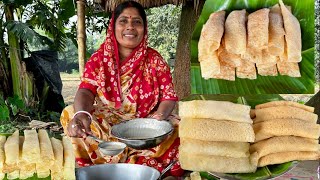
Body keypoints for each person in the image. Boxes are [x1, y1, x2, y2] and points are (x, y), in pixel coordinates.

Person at [60, 1, 184, 177]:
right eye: (123, 21)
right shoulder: (99, 59)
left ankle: (140, 160)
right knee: (70, 114)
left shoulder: (155, 59)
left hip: (144, 128)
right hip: (106, 127)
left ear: (144, 27)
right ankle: (112, 162)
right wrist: (82, 115)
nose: (130, 27)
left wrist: (159, 117)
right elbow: (86, 90)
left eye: (137, 22)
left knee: (177, 126)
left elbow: (169, 97)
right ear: (113, 25)